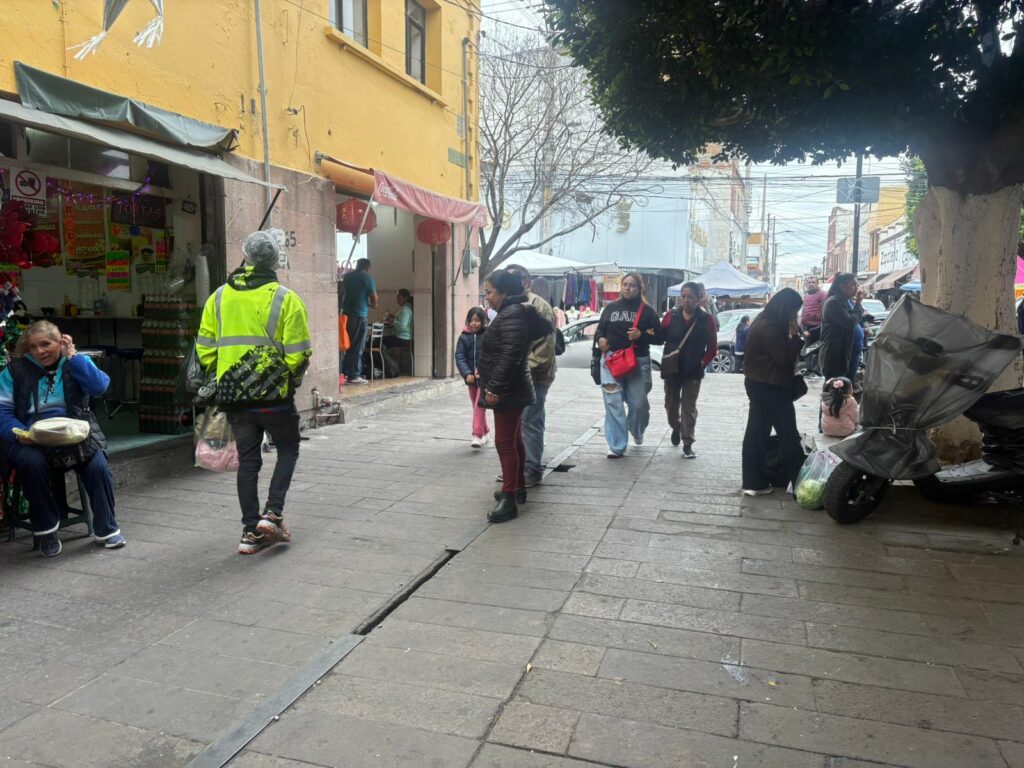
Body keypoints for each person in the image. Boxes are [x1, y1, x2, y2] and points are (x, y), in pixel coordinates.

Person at [197, 229, 313, 555]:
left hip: (234, 396)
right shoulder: (286, 299)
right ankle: (272, 514)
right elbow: (299, 354)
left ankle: (250, 532)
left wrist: (224, 373)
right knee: (288, 448)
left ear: (246, 257)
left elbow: (205, 348)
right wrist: (290, 379)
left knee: (248, 461)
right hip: (275, 397)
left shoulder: (219, 297)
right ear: (276, 260)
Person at [0, 321, 125, 556]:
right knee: (31, 463)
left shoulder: (74, 362)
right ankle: (47, 530)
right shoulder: (15, 370)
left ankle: (107, 528)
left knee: (97, 466)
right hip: (30, 437)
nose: (39, 351)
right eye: (33, 347)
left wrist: (74, 357)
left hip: (75, 432)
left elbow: (99, 387)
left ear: (61, 342)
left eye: (45, 344)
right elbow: (2, 410)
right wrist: (19, 433)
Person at [478, 268, 552, 523]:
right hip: (513, 387)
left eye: (489, 292)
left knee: (504, 443)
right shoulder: (513, 312)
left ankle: (509, 498)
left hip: (508, 390)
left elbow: (510, 356)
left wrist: (494, 388)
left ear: (504, 292)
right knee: (514, 439)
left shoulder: (511, 314)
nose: (487, 297)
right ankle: (516, 488)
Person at [741, 288, 806, 496]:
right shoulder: (771, 328)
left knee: (756, 434)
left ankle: (754, 482)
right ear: (785, 309)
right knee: (789, 436)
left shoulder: (762, 322)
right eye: (794, 311)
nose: (795, 316)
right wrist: (795, 337)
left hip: (758, 385)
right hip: (772, 389)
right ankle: (801, 484)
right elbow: (784, 361)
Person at [596, 272, 664, 458]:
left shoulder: (647, 311)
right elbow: (600, 330)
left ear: (639, 288)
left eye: (632, 285)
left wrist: (641, 334)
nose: (627, 288)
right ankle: (617, 446)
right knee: (613, 403)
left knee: (639, 405)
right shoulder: (611, 308)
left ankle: (637, 429)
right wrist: (600, 339)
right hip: (611, 360)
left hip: (637, 361)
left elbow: (660, 337)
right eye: (625, 284)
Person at [507, 264, 556, 487]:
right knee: (518, 421)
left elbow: (545, 348)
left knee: (531, 419)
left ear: (525, 282)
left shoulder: (538, 306)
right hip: (515, 374)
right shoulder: (511, 304)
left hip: (535, 375)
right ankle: (518, 468)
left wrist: (521, 367)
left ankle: (532, 467)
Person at [660, 282, 718, 458]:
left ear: (698, 298)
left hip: (693, 370)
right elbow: (660, 336)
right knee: (670, 405)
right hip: (672, 369)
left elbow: (713, 348)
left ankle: (687, 442)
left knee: (689, 407)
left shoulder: (706, 320)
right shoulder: (671, 316)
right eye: (683, 296)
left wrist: (702, 363)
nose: (686, 300)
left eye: (690, 297)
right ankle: (676, 426)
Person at [455, 306, 489, 448]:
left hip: (484, 377)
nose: (474, 323)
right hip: (471, 379)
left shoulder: (487, 336)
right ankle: (485, 430)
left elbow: (490, 354)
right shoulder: (463, 337)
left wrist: (482, 369)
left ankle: (477, 435)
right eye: (471, 320)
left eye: (477, 320)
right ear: (468, 321)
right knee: (476, 405)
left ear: (483, 321)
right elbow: (460, 356)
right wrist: (467, 373)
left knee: (479, 405)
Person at [818, 273, 863, 381]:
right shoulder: (834, 302)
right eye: (853, 285)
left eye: (857, 285)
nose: (856, 288)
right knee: (837, 387)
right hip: (836, 355)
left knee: (846, 385)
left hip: (848, 352)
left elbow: (853, 320)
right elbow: (850, 322)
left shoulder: (845, 301)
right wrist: (858, 304)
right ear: (842, 286)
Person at [340, 258, 377, 385]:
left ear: (357, 265)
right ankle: (354, 375)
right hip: (359, 316)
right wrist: (374, 305)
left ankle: (343, 373)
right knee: (357, 347)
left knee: (346, 345)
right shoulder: (367, 278)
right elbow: (374, 298)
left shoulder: (346, 277)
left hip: (345, 316)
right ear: (367, 267)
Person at [801, 275, 827, 342]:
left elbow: (825, 311)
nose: (811, 284)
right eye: (809, 282)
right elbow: (804, 309)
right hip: (805, 326)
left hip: (816, 327)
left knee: (814, 346)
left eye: (813, 282)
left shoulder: (822, 294)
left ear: (817, 283)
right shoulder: (806, 294)